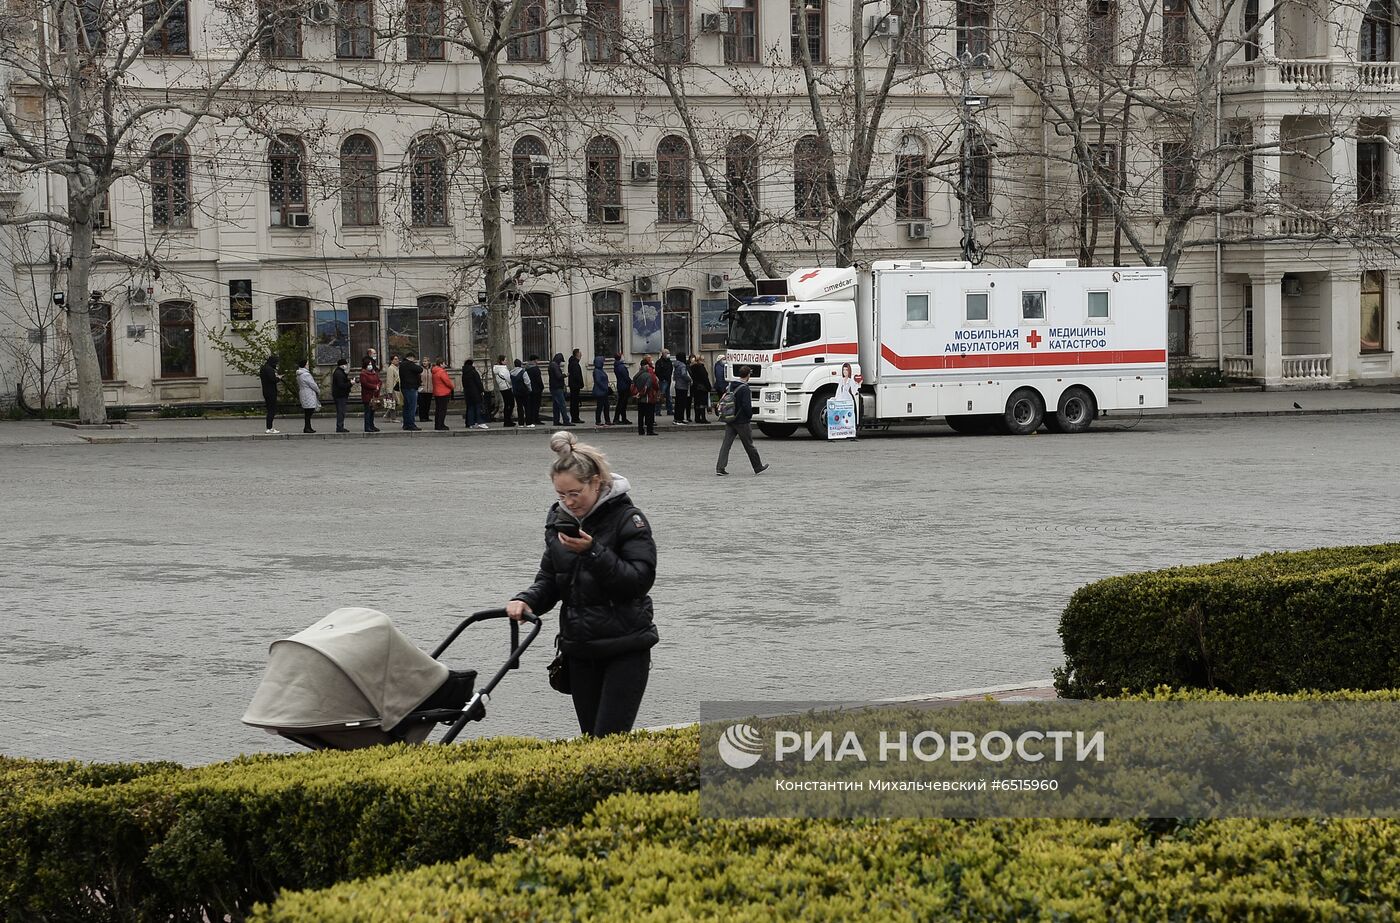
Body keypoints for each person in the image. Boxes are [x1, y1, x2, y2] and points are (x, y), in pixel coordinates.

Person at [506, 431, 658, 737]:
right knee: (591, 740)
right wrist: (527, 600)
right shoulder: (559, 519)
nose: (568, 502)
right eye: (561, 495)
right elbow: (551, 578)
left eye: (574, 493)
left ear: (597, 483)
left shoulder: (628, 519)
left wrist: (593, 552)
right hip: (578, 648)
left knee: (609, 740)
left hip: (624, 646)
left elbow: (638, 581)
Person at [716, 365, 768, 476]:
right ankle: (757, 466)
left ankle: (720, 467)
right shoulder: (744, 388)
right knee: (749, 445)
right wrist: (750, 416)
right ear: (748, 375)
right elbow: (746, 405)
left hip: (730, 419)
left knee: (726, 444)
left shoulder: (731, 386)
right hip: (742, 421)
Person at [632, 358, 659, 436]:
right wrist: (641, 394)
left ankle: (641, 430)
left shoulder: (636, 375)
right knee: (649, 415)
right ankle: (650, 430)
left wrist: (637, 394)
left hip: (639, 399)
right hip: (648, 397)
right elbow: (648, 386)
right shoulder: (648, 376)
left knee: (641, 415)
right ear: (646, 366)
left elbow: (633, 385)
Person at [295, 359, 321, 434]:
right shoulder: (306, 374)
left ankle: (308, 427)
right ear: (304, 365)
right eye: (307, 364)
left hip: (303, 393)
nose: (308, 366)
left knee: (307, 411)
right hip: (309, 393)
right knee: (310, 411)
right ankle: (307, 427)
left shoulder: (299, 374)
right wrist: (318, 391)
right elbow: (312, 384)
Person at [399, 353, 424, 431]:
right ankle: (411, 424)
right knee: (412, 407)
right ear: (411, 358)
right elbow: (420, 369)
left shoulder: (402, 365)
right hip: (411, 388)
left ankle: (406, 424)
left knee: (406, 407)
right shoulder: (409, 364)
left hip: (404, 387)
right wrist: (414, 363)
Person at [259, 354, 282, 435]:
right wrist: (279, 378)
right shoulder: (269, 369)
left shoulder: (263, 368)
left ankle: (269, 427)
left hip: (266, 391)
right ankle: (269, 428)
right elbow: (273, 379)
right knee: (272, 410)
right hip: (271, 391)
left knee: (270, 409)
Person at [461, 357, 487, 429]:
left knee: (470, 408)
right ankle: (480, 422)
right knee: (478, 407)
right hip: (475, 392)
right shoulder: (473, 372)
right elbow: (478, 382)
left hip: (467, 393)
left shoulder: (464, 373)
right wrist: (482, 390)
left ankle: (471, 423)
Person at [835, 362, 860, 436]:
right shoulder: (841, 380)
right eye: (843, 370)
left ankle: (850, 432)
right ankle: (841, 431)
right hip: (841, 398)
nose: (845, 372)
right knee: (841, 416)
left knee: (848, 416)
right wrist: (836, 398)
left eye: (846, 370)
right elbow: (838, 390)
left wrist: (858, 385)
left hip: (848, 399)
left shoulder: (850, 380)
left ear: (849, 371)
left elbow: (854, 390)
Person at [359, 360, 382, 433]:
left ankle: (372, 425)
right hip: (367, 395)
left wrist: (378, 385)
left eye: (371, 364)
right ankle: (367, 426)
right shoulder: (363, 374)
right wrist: (374, 386)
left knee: (372, 411)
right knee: (368, 411)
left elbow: (379, 381)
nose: (370, 366)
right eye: (369, 364)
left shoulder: (374, 373)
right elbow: (364, 383)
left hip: (374, 395)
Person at [510, 359, 534, 428]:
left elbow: (510, 382)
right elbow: (527, 382)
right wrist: (530, 389)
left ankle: (521, 423)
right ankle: (528, 423)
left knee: (519, 407)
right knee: (527, 407)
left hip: (516, 392)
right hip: (524, 392)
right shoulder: (523, 372)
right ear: (520, 364)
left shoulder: (511, 373)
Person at [492, 354, 515, 427]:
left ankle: (507, 420)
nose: (506, 361)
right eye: (505, 360)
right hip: (506, 387)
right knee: (511, 404)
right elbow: (508, 378)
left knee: (507, 404)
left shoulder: (497, 369)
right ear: (502, 361)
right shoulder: (503, 369)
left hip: (502, 387)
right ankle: (507, 421)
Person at [549, 352, 571, 426]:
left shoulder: (551, 365)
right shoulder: (555, 366)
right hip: (557, 387)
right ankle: (566, 420)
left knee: (556, 406)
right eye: (561, 361)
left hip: (553, 387)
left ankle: (556, 420)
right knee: (562, 405)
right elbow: (558, 376)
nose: (561, 362)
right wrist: (565, 375)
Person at [431, 359, 454, 431]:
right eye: (444, 364)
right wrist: (452, 387)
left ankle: (437, 424)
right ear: (441, 364)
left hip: (437, 393)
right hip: (443, 392)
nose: (445, 365)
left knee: (438, 409)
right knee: (442, 410)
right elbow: (447, 382)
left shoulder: (434, 372)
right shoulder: (442, 372)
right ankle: (441, 425)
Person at [331, 358, 352, 433]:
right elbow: (341, 385)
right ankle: (340, 427)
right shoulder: (339, 373)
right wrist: (350, 383)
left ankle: (340, 426)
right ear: (342, 365)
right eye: (346, 364)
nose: (346, 366)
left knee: (341, 411)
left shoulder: (340, 372)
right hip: (340, 395)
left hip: (340, 394)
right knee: (341, 411)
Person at [689, 355, 711, 424]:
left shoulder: (692, 367)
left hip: (695, 387)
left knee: (697, 403)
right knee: (702, 404)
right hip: (702, 387)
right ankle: (703, 418)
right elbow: (705, 378)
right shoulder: (701, 367)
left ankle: (697, 418)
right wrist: (709, 387)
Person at [612, 354, 632, 425]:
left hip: (620, 386)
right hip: (624, 387)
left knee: (621, 403)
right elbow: (626, 377)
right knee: (622, 404)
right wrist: (631, 382)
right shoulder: (621, 367)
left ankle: (622, 418)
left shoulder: (616, 366)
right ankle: (617, 418)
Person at [591, 356, 612, 427]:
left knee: (606, 406)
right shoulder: (597, 371)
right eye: (602, 361)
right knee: (600, 406)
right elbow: (598, 381)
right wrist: (604, 387)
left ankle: (607, 420)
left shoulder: (600, 370)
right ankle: (598, 420)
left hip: (603, 391)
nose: (603, 363)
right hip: (600, 391)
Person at [671, 353, 691, 425]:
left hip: (677, 385)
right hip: (683, 386)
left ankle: (676, 418)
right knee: (682, 404)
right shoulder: (682, 365)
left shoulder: (676, 365)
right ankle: (680, 419)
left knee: (678, 403)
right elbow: (684, 374)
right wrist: (689, 380)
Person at [526, 355, 546, 425]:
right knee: (536, 405)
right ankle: (536, 419)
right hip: (536, 389)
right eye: (537, 360)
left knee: (530, 405)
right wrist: (542, 387)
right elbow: (538, 380)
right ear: (534, 360)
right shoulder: (535, 369)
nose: (538, 362)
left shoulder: (526, 368)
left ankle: (531, 419)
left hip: (529, 389)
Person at [568, 348, 585, 424]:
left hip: (573, 385)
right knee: (575, 402)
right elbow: (577, 375)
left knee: (574, 402)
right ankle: (575, 418)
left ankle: (575, 417)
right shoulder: (575, 364)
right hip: (575, 386)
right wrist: (581, 383)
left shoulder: (572, 363)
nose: (581, 354)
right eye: (580, 353)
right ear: (577, 354)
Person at [655, 349, 673, 417]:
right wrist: (662, 378)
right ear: (663, 354)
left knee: (668, 396)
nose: (668, 354)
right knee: (660, 396)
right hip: (663, 381)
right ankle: (657, 411)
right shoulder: (659, 362)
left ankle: (670, 410)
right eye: (667, 353)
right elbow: (657, 372)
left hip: (668, 380)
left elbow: (671, 370)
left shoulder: (669, 362)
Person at [383, 355, 401, 423]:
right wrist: (389, 391)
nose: (397, 360)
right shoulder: (391, 368)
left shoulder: (396, 368)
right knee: (393, 402)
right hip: (393, 388)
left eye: (397, 359)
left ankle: (387, 414)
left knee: (395, 403)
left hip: (397, 388)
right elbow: (389, 380)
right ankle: (393, 418)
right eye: (395, 359)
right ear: (392, 361)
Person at [417, 356, 434, 424]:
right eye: (423, 361)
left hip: (429, 389)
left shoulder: (431, 369)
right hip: (422, 389)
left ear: (429, 362)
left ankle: (426, 417)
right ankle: (422, 417)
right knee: (422, 404)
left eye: (426, 361)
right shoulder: (420, 369)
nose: (424, 362)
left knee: (428, 404)